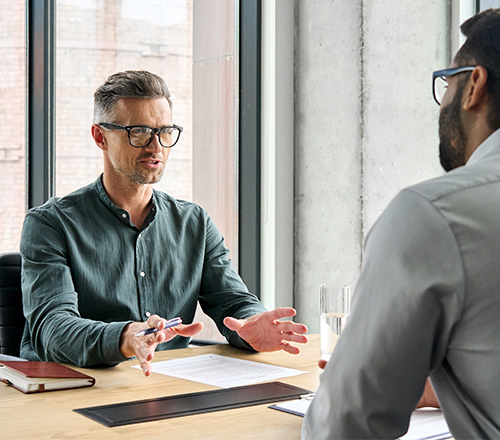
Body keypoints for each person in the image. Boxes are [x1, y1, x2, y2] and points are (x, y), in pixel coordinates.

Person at [20, 70, 308, 376]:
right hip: (74, 394)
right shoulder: (50, 224)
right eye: (140, 131)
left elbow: (233, 303)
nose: (156, 147)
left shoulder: (193, 222)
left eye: (165, 131)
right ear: (100, 136)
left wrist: (251, 324)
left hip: (166, 387)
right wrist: (124, 338)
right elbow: (52, 329)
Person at [303, 8, 500, 439]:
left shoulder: (436, 215)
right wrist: (446, 388)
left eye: (446, 83)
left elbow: (345, 426)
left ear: (474, 86)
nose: (444, 100)